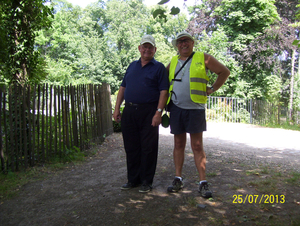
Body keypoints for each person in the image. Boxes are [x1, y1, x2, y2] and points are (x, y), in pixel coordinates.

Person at [166, 31, 230, 198]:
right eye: (180, 42)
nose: (183, 44)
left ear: (192, 43)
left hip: (195, 109)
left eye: (186, 41)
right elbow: (162, 79)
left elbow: (224, 72)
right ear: (177, 45)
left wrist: (212, 89)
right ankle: (178, 178)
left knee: (197, 146)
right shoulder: (172, 61)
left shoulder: (203, 57)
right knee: (178, 144)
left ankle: (203, 182)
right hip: (176, 108)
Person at [113, 35, 169, 193]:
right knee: (131, 147)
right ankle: (133, 180)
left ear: (155, 50)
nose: (147, 49)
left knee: (148, 147)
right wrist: (117, 108)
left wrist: (159, 112)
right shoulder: (132, 66)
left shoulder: (159, 68)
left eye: (150, 47)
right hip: (129, 111)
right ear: (139, 48)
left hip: (149, 111)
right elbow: (123, 88)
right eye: (144, 46)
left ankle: (146, 181)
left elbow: (164, 91)